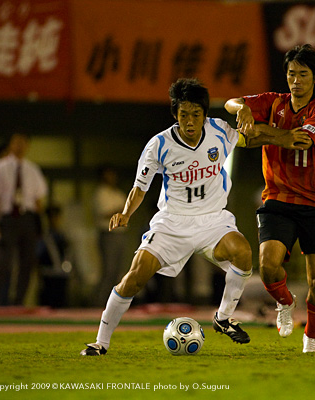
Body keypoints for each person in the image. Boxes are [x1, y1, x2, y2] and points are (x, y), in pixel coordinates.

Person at [81, 78, 253, 356]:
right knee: (135, 277)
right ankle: (101, 342)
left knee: (243, 253)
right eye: (183, 114)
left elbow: (253, 137)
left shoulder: (219, 130)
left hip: (212, 219)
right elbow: (140, 187)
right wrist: (126, 213)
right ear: (175, 115)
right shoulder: (159, 144)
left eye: (196, 114)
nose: (190, 121)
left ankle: (223, 318)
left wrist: (286, 138)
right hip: (172, 221)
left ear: (204, 115)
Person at [225, 44, 315, 353]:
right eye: (291, 74)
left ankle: (312, 335)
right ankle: (285, 303)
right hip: (278, 197)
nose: (296, 80)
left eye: (303, 74)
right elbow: (231, 103)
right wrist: (243, 109)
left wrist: (263, 133)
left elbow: (300, 140)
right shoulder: (274, 102)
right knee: (268, 265)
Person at [0, 132, 48, 306]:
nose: (20, 146)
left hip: (27, 218)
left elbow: (38, 199)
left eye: (23, 142)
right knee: (3, 261)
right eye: (16, 142)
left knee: (27, 261)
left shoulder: (32, 169)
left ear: (27, 146)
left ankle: (18, 301)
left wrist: (39, 224)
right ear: (11, 144)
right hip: (8, 218)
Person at [93, 166, 128, 305]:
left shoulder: (118, 193)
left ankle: (113, 303)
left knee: (118, 271)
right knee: (109, 270)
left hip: (121, 234)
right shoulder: (100, 193)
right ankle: (99, 301)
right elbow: (105, 213)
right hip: (108, 234)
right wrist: (120, 210)